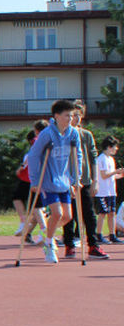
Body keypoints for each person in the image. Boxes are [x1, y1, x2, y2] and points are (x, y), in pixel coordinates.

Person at [26, 99, 83, 264]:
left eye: (71, 115)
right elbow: (33, 156)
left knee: (67, 216)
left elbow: (77, 156)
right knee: (57, 213)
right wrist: (35, 181)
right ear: (56, 116)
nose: (70, 119)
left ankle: (46, 232)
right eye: (67, 115)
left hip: (64, 180)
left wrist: (76, 179)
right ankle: (49, 244)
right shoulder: (47, 134)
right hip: (48, 181)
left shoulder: (73, 133)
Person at [61, 102, 108, 260]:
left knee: (89, 214)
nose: (76, 118)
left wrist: (95, 180)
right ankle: (69, 244)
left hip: (85, 180)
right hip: (67, 181)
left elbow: (93, 158)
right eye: (73, 115)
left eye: (79, 115)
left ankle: (93, 245)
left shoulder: (86, 135)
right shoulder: (63, 134)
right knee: (69, 215)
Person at [13, 122, 47, 244]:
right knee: (38, 209)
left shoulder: (39, 141)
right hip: (40, 179)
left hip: (36, 179)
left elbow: (31, 156)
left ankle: (43, 231)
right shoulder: (48, 139)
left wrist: (22, 167)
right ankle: (30, 231)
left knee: (37, 208)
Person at [93, 135, 124, 244]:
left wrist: (120, 174)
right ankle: (99, 234)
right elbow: (104, 175)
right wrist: (116, 171)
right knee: (102, 213)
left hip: (111, 191)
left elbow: (111, 176)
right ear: (109, 147)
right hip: (103, 192)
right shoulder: (101, 159)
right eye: (115, 146)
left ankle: (112, 235)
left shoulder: (111, 159)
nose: (116, 149)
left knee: (112, 213)